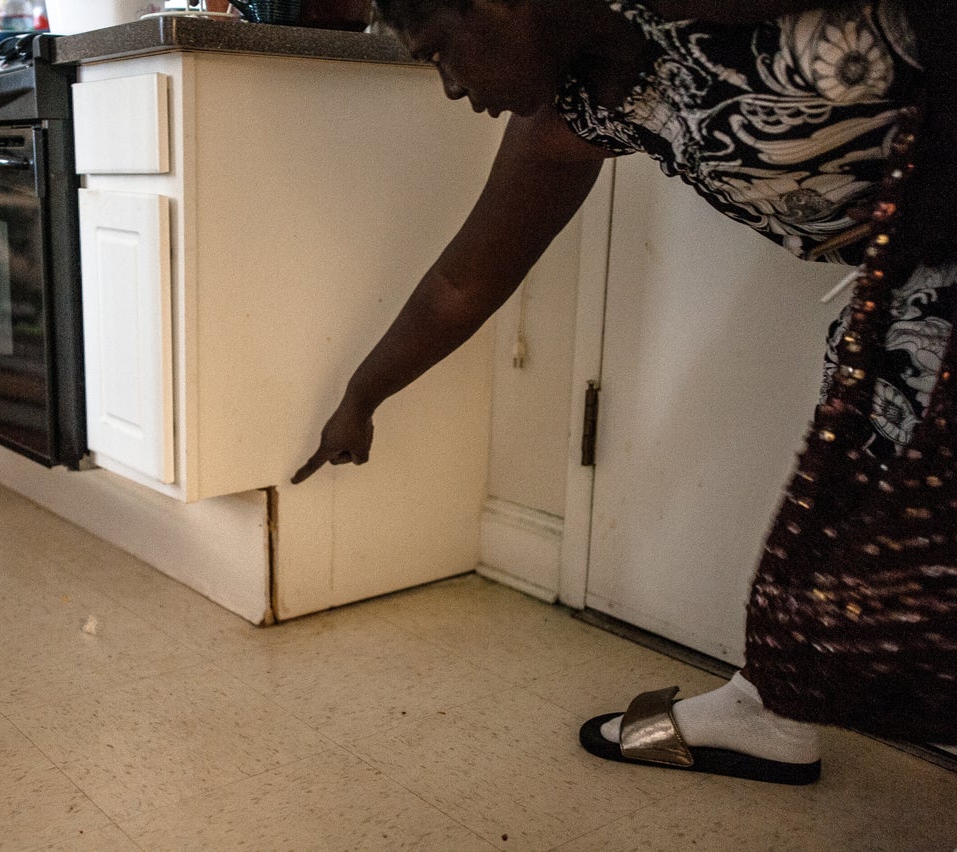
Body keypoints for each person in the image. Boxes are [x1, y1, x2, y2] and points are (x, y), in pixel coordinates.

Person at [290, 0, 956, 784]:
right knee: (847, 538)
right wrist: (361, 397)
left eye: (443, 51)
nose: (451, 87)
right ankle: (773, 708)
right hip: (917, 283)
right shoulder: (580, 109)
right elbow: (461, 283)